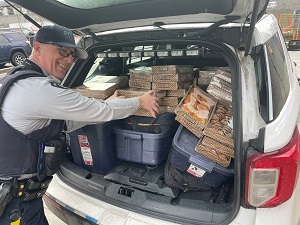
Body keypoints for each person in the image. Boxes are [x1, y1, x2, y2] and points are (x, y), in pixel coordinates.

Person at [0, 24, 159, 225]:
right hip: (15, 204)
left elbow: (63, 122)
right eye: (63, 51)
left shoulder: (19, 79)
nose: (68, 60)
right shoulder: (40, 90)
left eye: (72, 55)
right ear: (37, 48)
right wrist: (140, 102)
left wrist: (106, 105)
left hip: (24, 196)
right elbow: (101, 111)